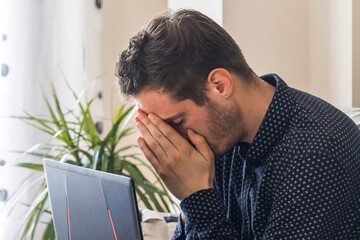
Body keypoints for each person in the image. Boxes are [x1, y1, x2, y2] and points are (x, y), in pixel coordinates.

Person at [115, 9, 360, 240]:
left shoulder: (314, 155)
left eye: (176, 122)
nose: (174, 140)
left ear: (220, 85)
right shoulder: (223, 138)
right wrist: (189, 206)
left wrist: (195, 196)